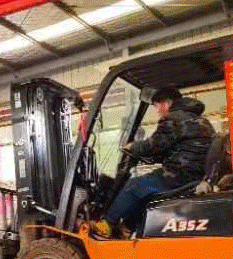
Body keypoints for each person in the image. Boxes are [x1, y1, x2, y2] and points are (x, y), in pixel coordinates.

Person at [92, 87, 215, 238]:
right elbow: (173, 147)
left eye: (157, 106)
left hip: (178, 175)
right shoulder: (202, 121)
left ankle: (107, 223)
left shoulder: (173, 119)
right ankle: (127, 227)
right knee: (146, 192)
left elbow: (154, 145)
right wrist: (154, 157)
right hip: (194, 173)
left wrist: (133, 147)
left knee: (134, 186)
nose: (157, 111)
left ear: (167, 103)